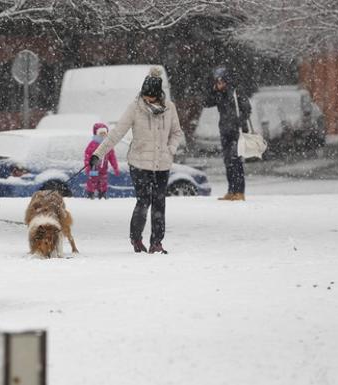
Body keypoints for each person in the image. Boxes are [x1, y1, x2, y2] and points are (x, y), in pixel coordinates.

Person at [89, 67, 183, 254]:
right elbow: (116, 133)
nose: (147, 99)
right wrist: (98, 154)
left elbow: (176, 133)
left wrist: (170, 149)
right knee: (144, 201)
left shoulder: (170, 108)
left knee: (159, 203)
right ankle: (136, 238)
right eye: (145, 95)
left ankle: (156, 242)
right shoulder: (135, 108)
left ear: (158, 95)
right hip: (139, 164)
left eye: (151, 96)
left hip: (162, 164)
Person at [203, 66, 251, 201]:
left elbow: (247, 109)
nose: (218, 84)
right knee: (228, 161)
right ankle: (231, 191)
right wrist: (212, 91)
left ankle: (239, 192)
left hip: (237, 132)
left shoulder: (236, 92)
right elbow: (206, 102)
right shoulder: (218, 94)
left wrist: (237, 122)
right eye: (217, 82)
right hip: (225, 131)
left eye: (220, 82)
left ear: (226, 81)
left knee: (236, 161)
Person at [84, 122, 119, 199]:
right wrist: (88, 166)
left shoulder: (108, 145)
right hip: (93, 168)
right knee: (92, 181)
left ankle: (102, 194)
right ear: (97, 134)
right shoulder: (93, 144)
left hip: (103, 169)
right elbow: (87, 155)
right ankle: (90, 194)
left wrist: (115, 167)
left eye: (104, 133)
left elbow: (112, 157)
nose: (103, 135)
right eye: (101, 133)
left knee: (103, 181)